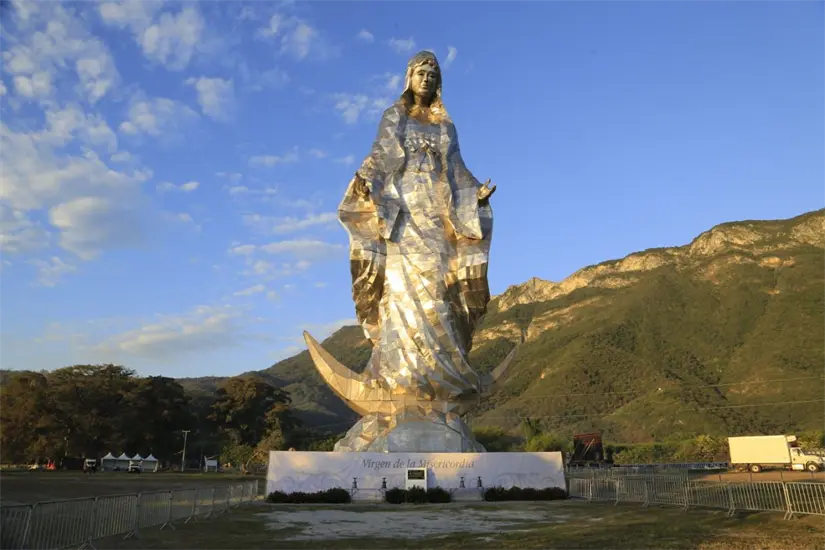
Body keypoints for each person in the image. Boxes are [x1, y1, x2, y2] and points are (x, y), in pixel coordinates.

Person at [339, 50, 497, 404]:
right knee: (400, 291)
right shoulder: (394, 117)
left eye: (432, 74)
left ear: (438, 83)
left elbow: (456, 170)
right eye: (421, 73)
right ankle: (397, 377)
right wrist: (366, 182)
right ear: (408, 78)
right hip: (402, 213)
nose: (426, 79)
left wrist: (476, 195)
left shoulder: (445, 127)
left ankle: (439, 377)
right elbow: (379, 158)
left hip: (438, 213)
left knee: (437, 287)